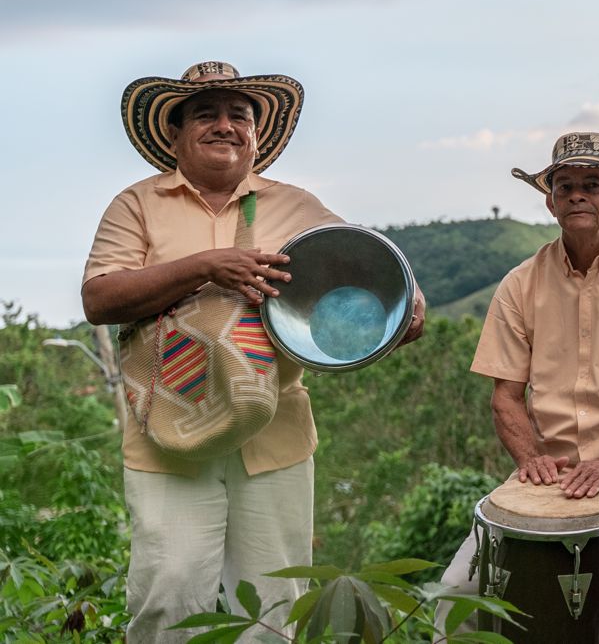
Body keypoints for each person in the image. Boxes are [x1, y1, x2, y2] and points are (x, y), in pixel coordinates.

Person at [82, 61, 426, 643]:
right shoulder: (137, 204)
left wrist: (410, 298)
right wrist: (204, 266)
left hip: (274, 435)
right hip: (168, 437)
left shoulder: (297, 207)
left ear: (256, 134)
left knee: (275, 608)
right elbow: (99, 298)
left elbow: (364, 267)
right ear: (174, 133)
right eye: (205, 114)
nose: (225, 125)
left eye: (238, 115)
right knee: (168, 596)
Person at [438, 132, 599, 644]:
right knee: (455, 600)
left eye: (592, 184)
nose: (577, 195)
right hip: (549, 487)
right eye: (565, 186)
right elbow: (505, 396)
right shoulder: (520, 283)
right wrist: (530, 459)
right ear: (551, 202)